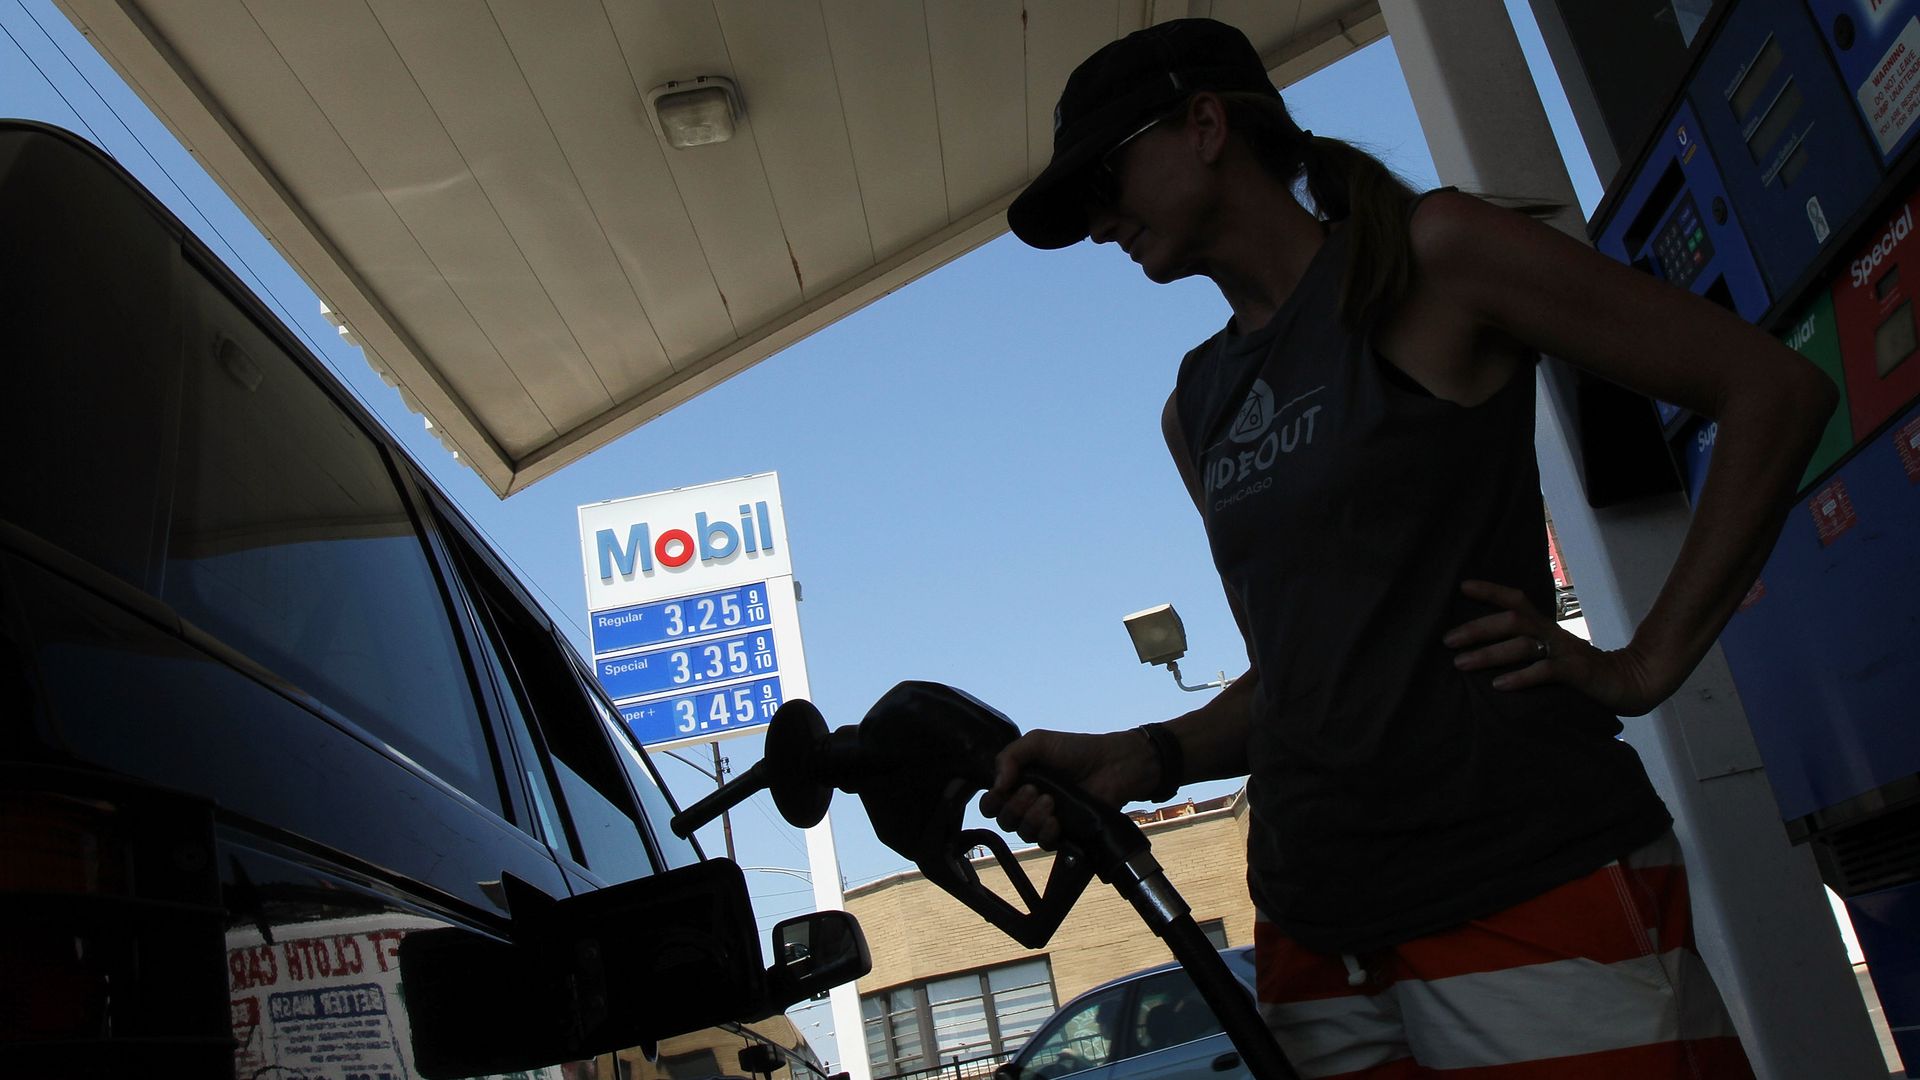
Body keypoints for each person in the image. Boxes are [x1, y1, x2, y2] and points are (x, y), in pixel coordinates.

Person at [978, 18, 1835, 1080]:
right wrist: (1149, 754)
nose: (1100, 221)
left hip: (1522, 880)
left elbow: (1772, 390)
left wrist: (1642, 664)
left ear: (1206, 126)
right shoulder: (1195, 405)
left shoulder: (1435, 256)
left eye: (1104, 178)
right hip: (1313, 929)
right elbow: (1305, 668)